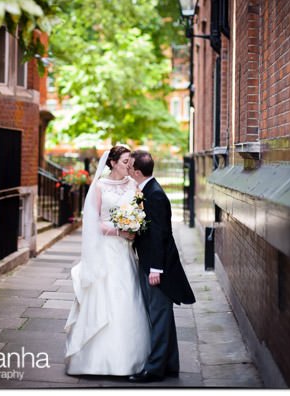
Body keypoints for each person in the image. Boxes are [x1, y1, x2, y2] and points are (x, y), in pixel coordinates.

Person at [64, 146, 151, 376]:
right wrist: (119, 232)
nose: (129, 167)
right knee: (104, 296)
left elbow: (141, 214)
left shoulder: (133, 185)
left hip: (125, 252)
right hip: (106, 249)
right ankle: (94, 361)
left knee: (127, 297)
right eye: (124, 162)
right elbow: (93, 222)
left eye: (130, 163)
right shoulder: (100, 186)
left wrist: (134, 225)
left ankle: (129, 359)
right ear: (112, 163)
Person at [127, 150, 196, 383]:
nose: (127, 169)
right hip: (153, 262)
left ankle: (154, 369)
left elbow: (158, 234)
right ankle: (170, 364)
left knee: (158, 316)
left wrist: (155, 269)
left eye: (130, 167)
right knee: (163, 316)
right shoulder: (146, 191)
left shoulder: (153, 194)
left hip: (158, 266)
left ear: (137, 172)